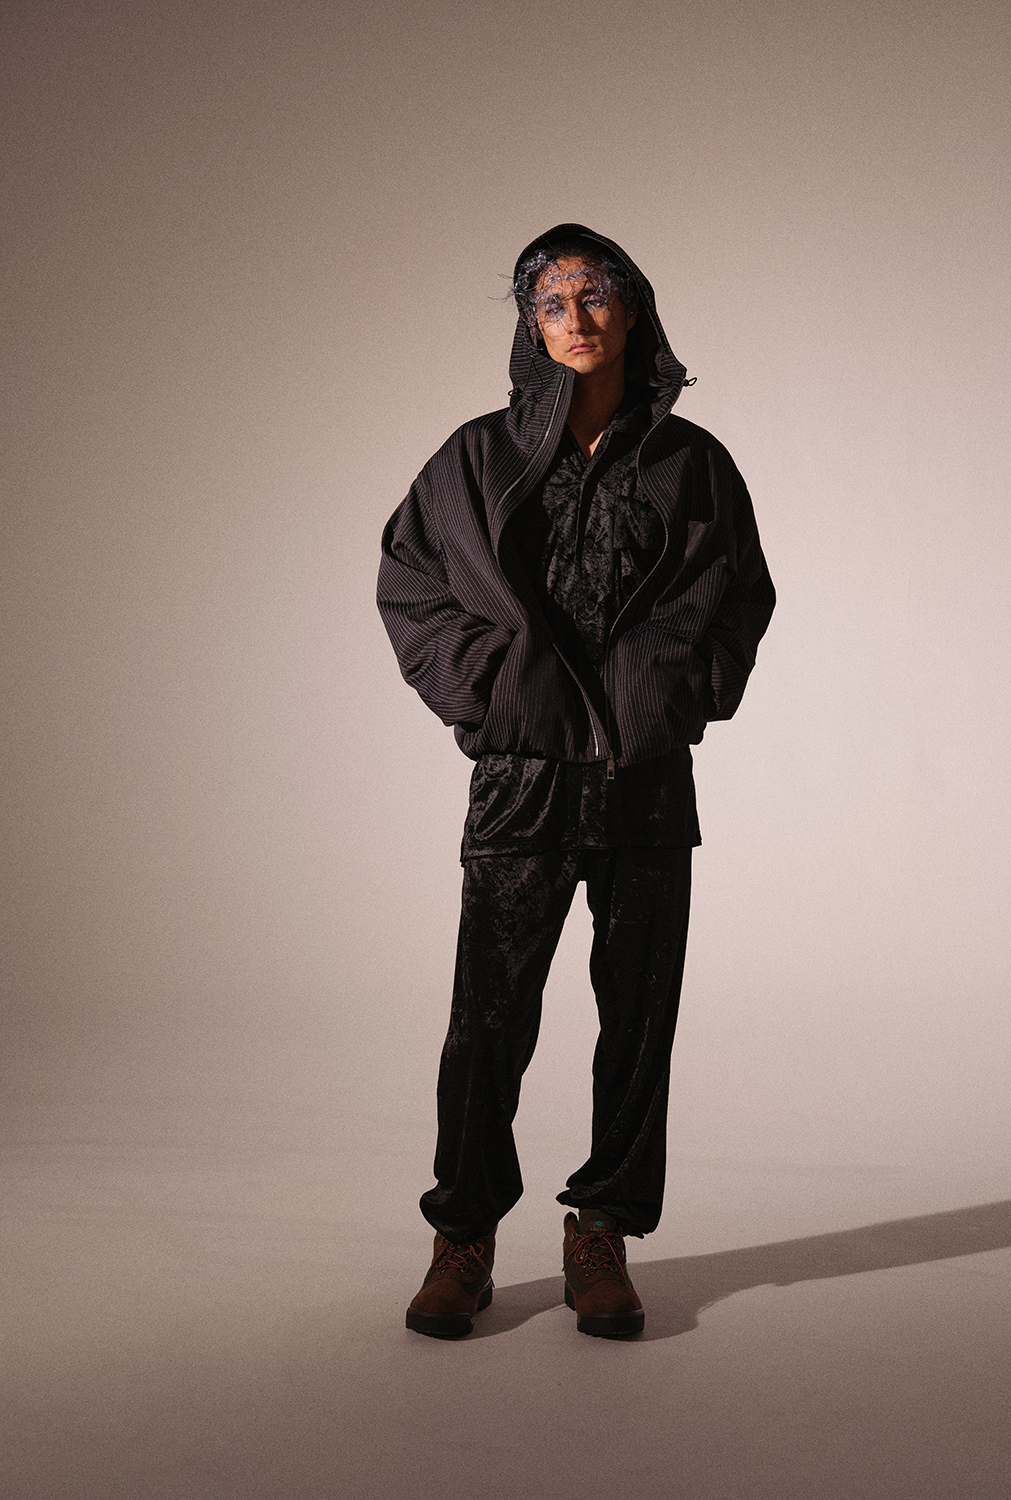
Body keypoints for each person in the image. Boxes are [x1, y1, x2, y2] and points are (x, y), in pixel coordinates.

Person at [378, 224, 774, 1339]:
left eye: (594, 295)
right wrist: (491, 696)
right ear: (529, 325)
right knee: (487, 1020)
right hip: (523, 778)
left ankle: (601, 1229)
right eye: (551, 303)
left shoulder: (692, 463)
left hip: (646, 778)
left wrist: (679, 696)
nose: (576, 318)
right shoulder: (476, 458)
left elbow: (741, 598)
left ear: (633, 308)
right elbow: (411, 585)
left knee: (639, 1018)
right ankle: (463, 1235)